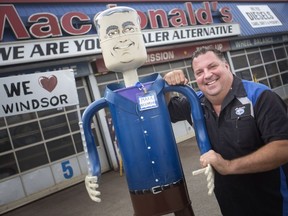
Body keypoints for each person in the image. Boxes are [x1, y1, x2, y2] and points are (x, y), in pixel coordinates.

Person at [164, 46, 288, 216]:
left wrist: (229, 166)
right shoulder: (195, 103)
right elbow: (164, 109)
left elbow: (283, 148)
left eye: (212, 67)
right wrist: (165, 86)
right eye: (199, 72)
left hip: (275, 206)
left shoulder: (260, 96)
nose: (207, 75)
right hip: (230, 207)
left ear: (227, 67)